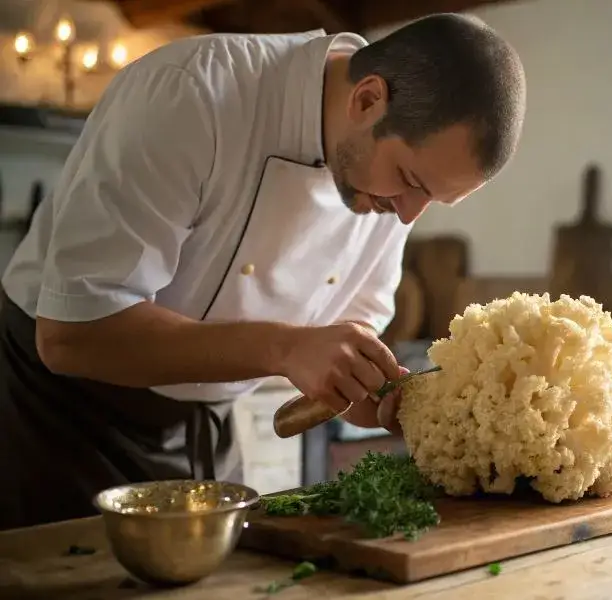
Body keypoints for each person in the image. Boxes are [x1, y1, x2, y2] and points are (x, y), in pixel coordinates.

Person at [0, 13, 526, 531]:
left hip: (206, 426)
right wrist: (284, 348)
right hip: (55, 413)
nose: (410, 215)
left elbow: (351, 323)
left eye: (433, 198)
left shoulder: (390, 184)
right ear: (367, 99)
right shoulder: (190, 95)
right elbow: (72, 334)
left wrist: (359, 387)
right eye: (410, 180)